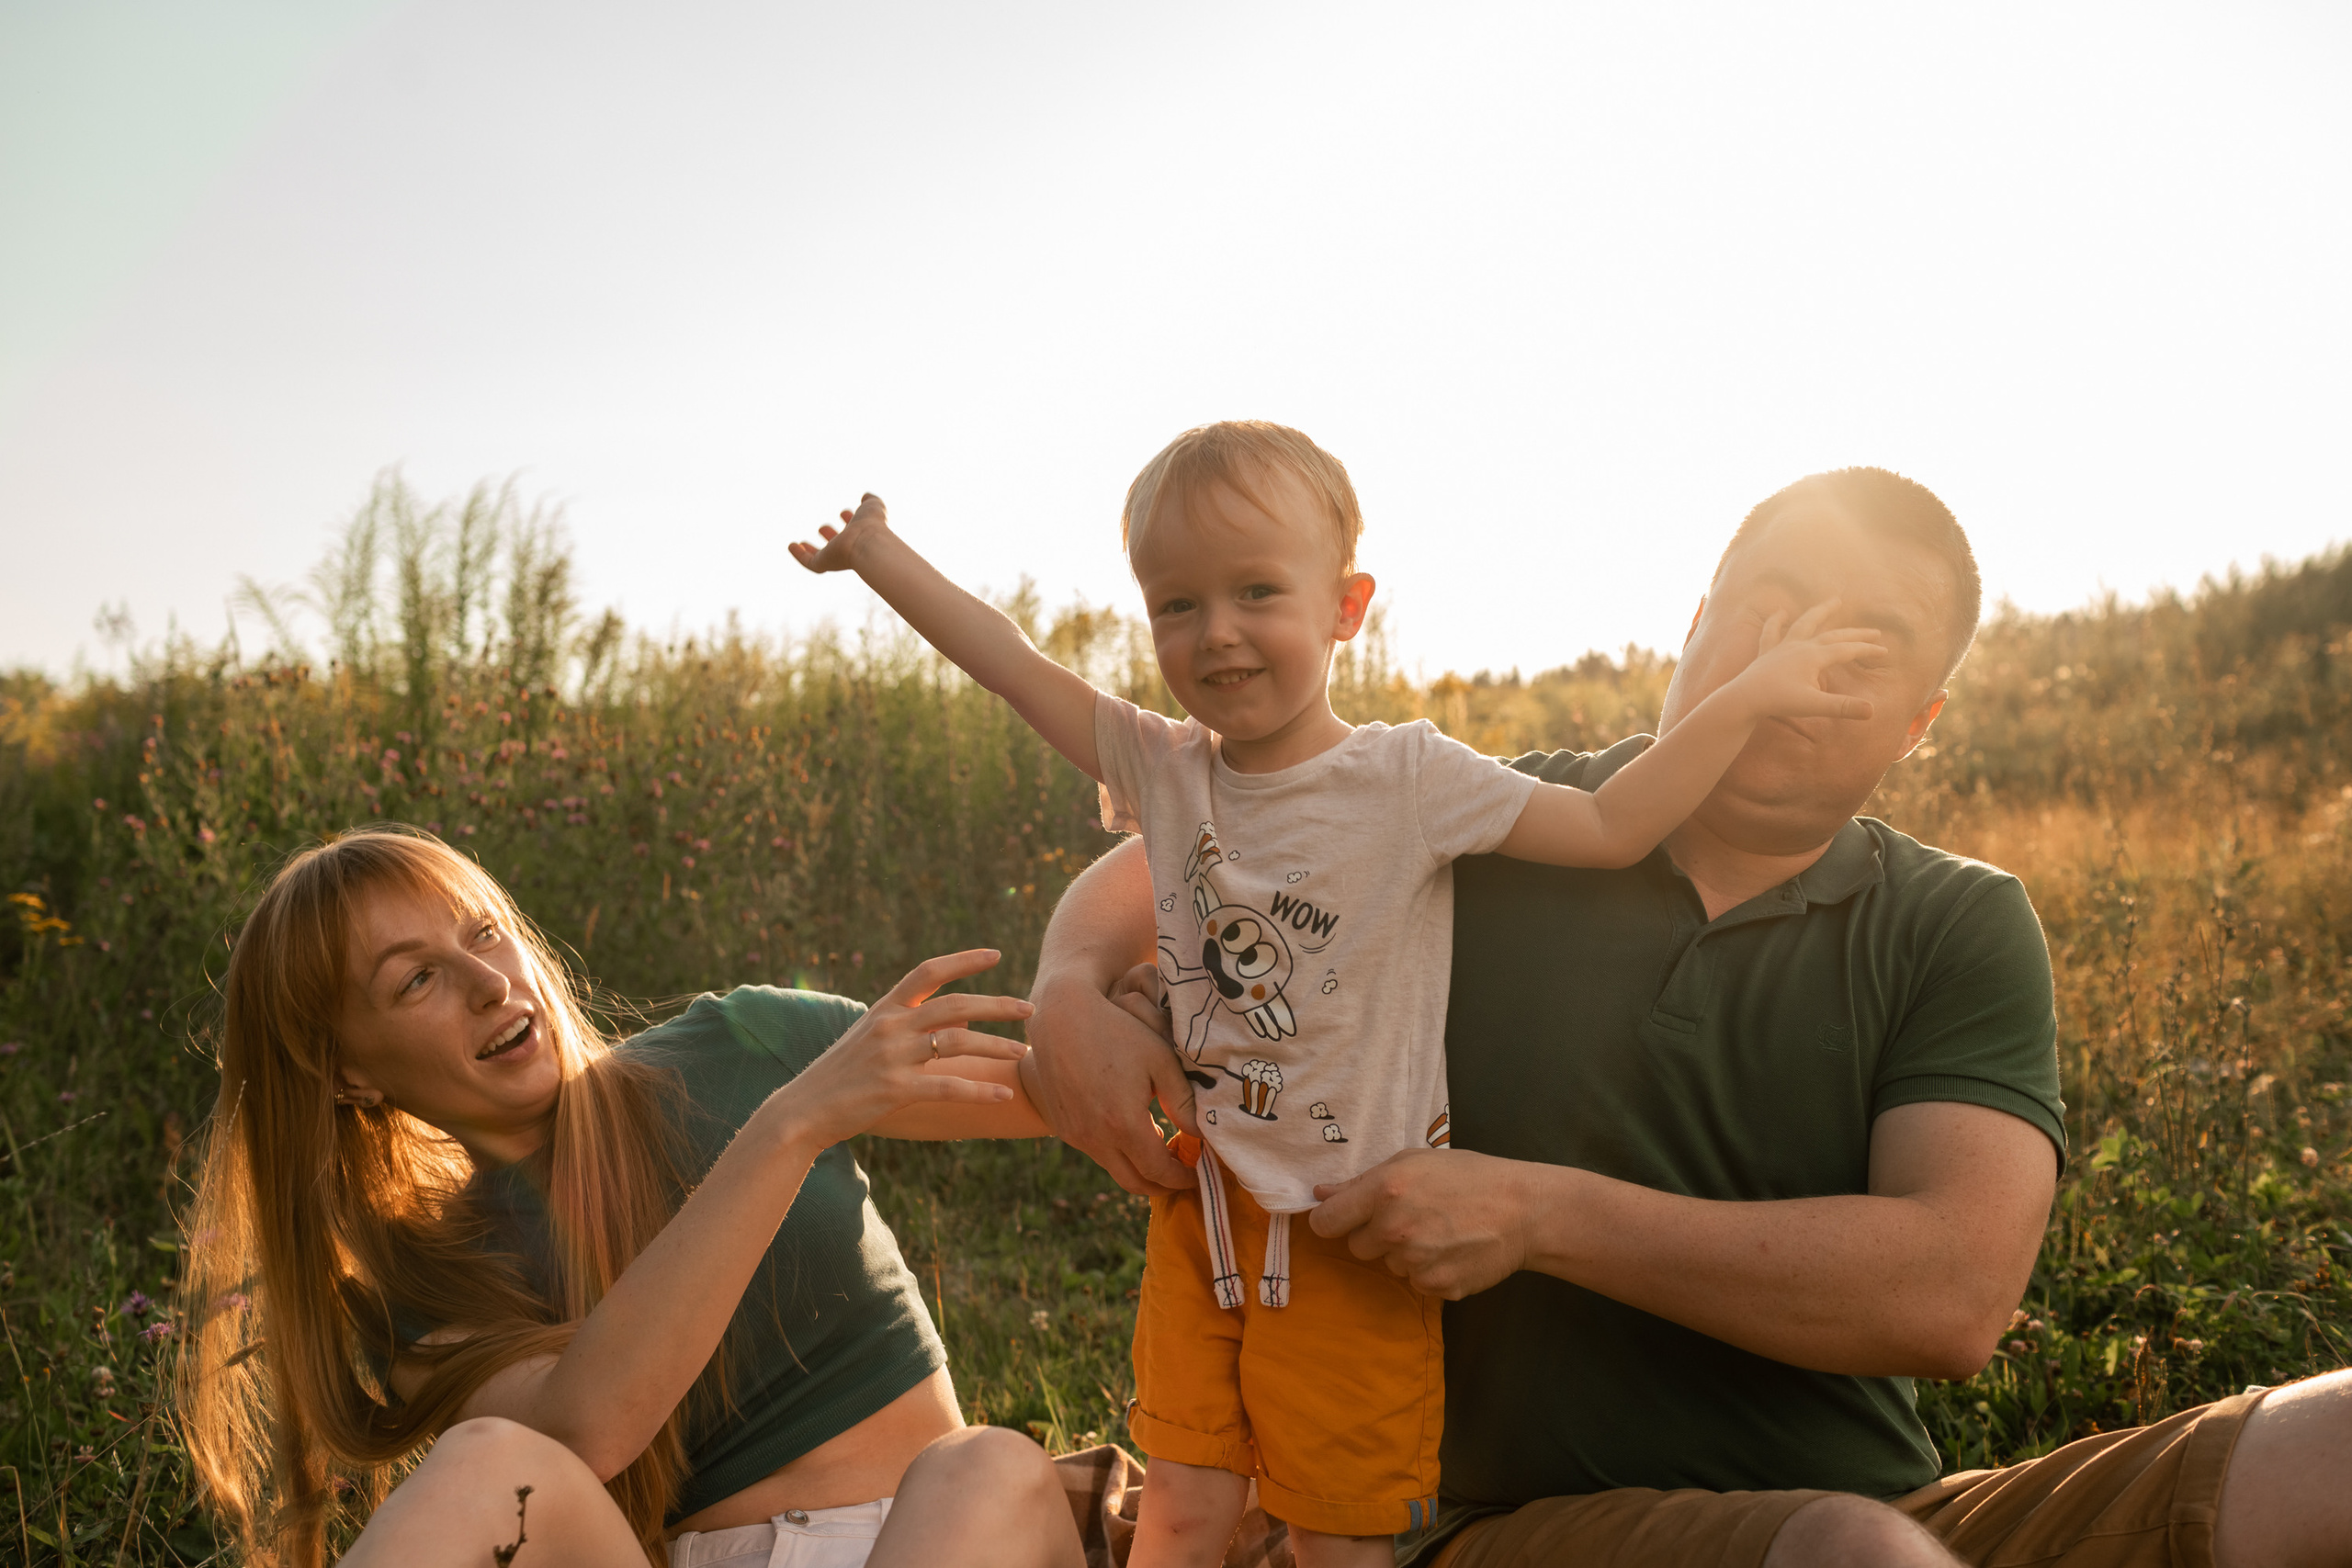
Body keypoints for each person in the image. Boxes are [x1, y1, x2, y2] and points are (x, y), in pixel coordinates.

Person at [1022, 467, 2352, 1568]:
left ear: (1918, 721)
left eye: (1859, 647)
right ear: (1696, 621)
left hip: (1905, 1517)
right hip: (1499, 1525)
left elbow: (1951, 1289)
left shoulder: (1955, 919)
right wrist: (1071, 987)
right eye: (1768, 611)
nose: (1791, 665)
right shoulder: (1497, 821)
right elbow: (1192, 847)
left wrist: (1538, 1213)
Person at [786, 422, 1884, 1568]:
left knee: (1337, 1532)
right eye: (1177, 605)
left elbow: (1612, 826)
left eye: (1256, 591)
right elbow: (1012, 664)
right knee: (1180, 1505)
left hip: (1353, 1227)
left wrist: (1744, 698)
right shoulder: (1164, 768)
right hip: (1204, 1207)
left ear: (1345, 606)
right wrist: (878, 556)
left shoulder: (1408, 778)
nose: (1217, 632)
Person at [177, 827, 1086, 1568]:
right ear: (348, 1074)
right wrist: (787, 1129)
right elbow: (582, 1432)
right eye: (417, 979)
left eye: (483, 932)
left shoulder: (743, 1043)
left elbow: (1075, 1097)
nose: (490, 984)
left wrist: (1109, 992)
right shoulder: (426, 1280)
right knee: (487, 1462)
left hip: (945, 1537)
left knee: (988, 1466)